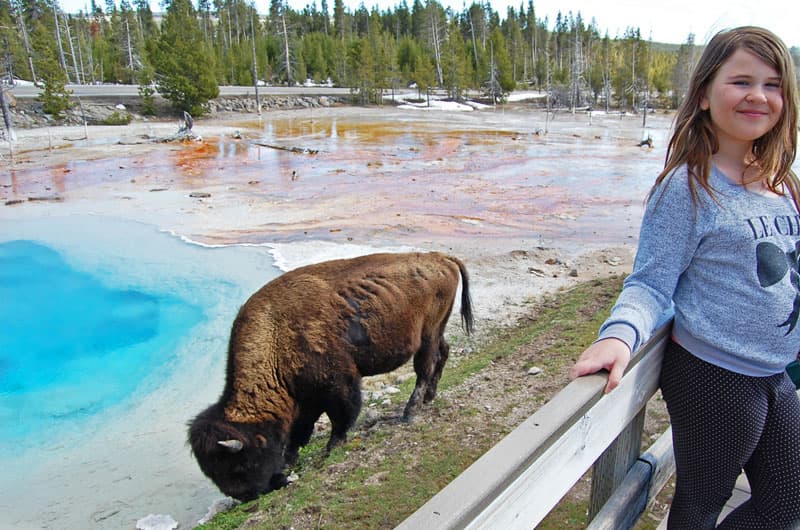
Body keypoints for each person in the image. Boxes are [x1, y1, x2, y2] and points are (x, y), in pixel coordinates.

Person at [569, 26, 800, 529]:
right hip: (715, 375)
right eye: (741, 81)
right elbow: (651, 283)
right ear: (703, 94)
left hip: (775, 372)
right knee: (699, 507)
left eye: (774, 83)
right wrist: (618, 335)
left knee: (788, 506)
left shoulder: (782, 182)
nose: (759, 95)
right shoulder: (689, 185)